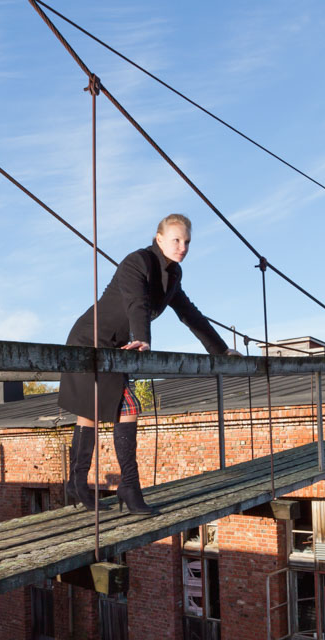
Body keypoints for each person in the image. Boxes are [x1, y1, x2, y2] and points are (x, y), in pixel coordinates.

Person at [59, 213, 240, 515]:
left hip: (117, 347)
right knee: (122, 408)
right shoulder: (137, 261)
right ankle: (124, 486)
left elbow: (189, 313)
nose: (182, 247)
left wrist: (220, 350)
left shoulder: (174, 275)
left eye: (187, 242)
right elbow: (136, 302)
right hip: (89, 340)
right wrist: (142, 337)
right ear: (159, 238)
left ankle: (82, 484)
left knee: (91, 414)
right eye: (176, 240)